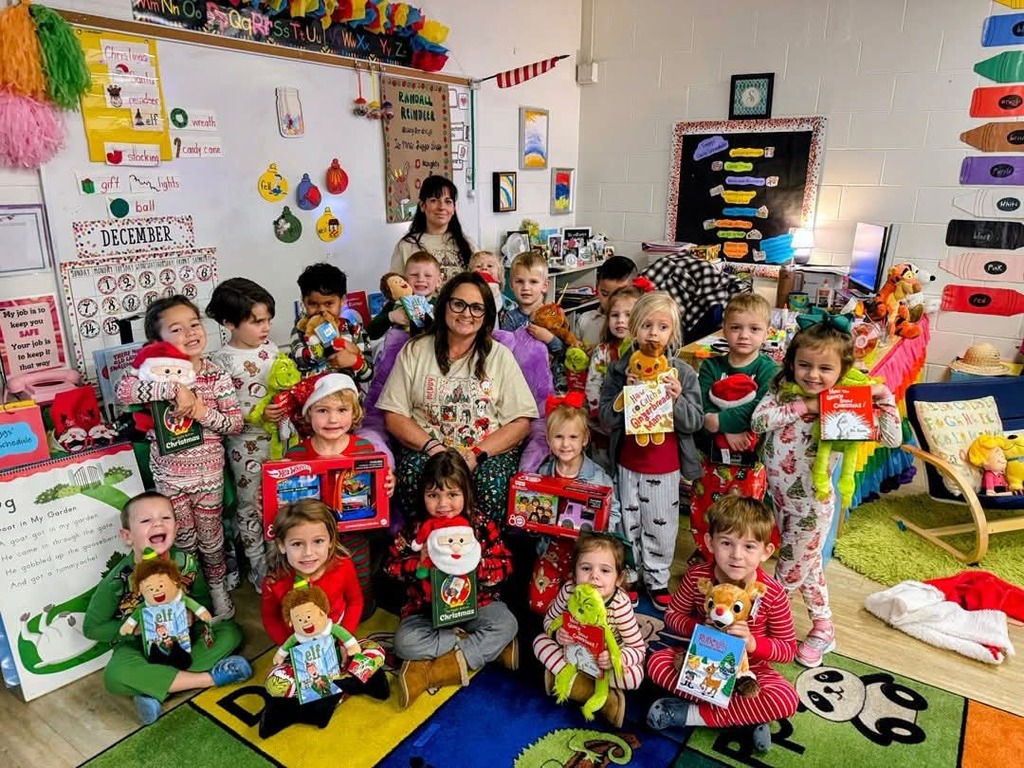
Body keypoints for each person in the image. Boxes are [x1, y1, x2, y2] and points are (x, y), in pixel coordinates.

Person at [751, 315, 902, 667]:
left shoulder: (845, 403)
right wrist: (805, 407)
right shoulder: (783, 390)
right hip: (780, 501)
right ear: (792, 363)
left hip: (812, 506)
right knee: (809, 566)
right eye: (804, 365)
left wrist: (884, 397)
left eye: (824, 368)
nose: (813, 375)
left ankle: (761, 623)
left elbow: (891, 438)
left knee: (787, 572)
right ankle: (823, 626)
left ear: (842, 369)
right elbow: (759, 422)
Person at [116, 296, 243, 618]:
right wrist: (174, 389)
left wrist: (200, 409)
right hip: (171, 480)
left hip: (209, 476)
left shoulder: (216, 376)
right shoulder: (150, 373)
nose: (190, 333)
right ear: (157, 342)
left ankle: (218, 590)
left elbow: (234, 424)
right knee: (183, 542)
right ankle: (191, 594)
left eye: (194, 324)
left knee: (212, 538)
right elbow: (123, 392)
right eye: (176, 329)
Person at [376, 272, 538, 523]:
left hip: (484, 451)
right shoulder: (416, 350)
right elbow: (394, 415)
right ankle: (424, 551)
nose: (466, 314)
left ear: (486, 316)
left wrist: (475, 454)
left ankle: (485, 555)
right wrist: (434, 448)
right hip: (427, 449)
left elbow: (520, 422)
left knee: (490, 483)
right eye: (459, 304)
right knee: (415, 476)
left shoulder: (500, 356)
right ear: (444, 306)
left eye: (477, 308)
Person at [83, 492, 252, 725]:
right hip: (138, 648)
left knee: (230, 633)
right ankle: (211, 678)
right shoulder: (117, 581)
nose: (157, 523)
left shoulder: (186, 563)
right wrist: (136, 629)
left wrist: (193, 614)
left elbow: (203, 601)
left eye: (166, 518)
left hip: (185, 640)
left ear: (177, 526)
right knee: (114, 676)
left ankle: (154, 689)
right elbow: (92, 628)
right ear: (127, 536)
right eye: (145, 521)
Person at [646, 496, 798, 752]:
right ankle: (748, 717)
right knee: (656, 664)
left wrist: (752, 643)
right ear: (710, 543)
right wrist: (697, 627)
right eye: (726, 543)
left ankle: (690, 714)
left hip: (750, 671)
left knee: (787, 699)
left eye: (749, 547)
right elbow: (672, 616)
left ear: (766, 552)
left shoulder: (772, 592)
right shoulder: (698, 577)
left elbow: (787, 649)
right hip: (699, 660)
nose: (737, 556)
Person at [386, 450, 517, 708]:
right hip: (426, 611)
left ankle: (432, 671)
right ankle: (478, 647)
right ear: (422, 496)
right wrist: (417, 563)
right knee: (403, 643)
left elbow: (506, 565)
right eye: (433, 495)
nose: (443, 504)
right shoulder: (416, 530)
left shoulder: (478, 525)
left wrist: (476, 565)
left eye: (453, 494)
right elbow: (390, 567)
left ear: (466, 493)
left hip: (477, 605)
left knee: (507, 624)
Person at [598, 291, 703, 610]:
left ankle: (657, 578)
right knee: (627, 523)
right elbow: (605, 418)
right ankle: (629, 574)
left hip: (665, 466)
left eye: (662, 327)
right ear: (633, 328)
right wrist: (627, 393)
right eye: (646, 325)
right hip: (628, 463)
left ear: (673, 333)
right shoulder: (619, 370)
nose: (653, 333)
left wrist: (677, 398)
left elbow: (695, 421)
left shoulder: (682, 373)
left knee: (661, 524)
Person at [259, 499, 389, 736]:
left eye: (318, 541)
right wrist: (290, 651)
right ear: (281, 545)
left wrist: (344, 641)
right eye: (297, 544)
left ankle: (337, 690)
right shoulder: (275, 581)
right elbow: (270, 619)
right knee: (275, 683)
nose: (308, 553)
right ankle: (329, 694)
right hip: (301, 653)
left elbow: (355, 601)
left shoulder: (342, 565)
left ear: (330, 541)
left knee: (375, 651)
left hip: (339, 642)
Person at [285, 373, 396, 616]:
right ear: (308, 414)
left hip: (354, 535)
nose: (333, 419)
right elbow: (281, 498)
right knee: (318, 581)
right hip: (312, 541)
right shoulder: (295, 455)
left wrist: (388, 482)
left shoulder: (364, 450)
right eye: (322, 411)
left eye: (342, 410)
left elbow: (378, 485)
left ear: (354, 414)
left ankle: (363, 610)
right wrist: (266, 501)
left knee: (360, 577)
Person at [206, 277, 281, 592]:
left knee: (280, 504)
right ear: (229, 323)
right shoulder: (221, 361)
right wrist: (257, 415)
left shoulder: (272, 349)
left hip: (280, 440)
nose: (265, 328)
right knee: (251, 507)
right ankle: (258, 566)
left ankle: (280, 562)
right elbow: (223, 412)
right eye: (256, 322)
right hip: (245, 447)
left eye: (267, 320)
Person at [691, 292, 778, 559]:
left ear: (767, 333)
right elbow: (702, 408)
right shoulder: (711, 366)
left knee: (745, 512)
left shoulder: (768, 369)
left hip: (749, 464)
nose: (744, 335)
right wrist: (725, 428)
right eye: (736, 328)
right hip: (711, 459)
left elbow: (759, 410)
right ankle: (705, 553)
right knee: (705, 508)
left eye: (754, 329)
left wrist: (720, 420)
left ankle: (740, 559)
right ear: (724, 330)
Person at [532, 532, 646, 727]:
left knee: (635, 677)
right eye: (586, 568)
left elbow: (638, 648)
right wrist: (556, 634)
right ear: (574, 574)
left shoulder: (619, 604)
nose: (594, 576)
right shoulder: (569, 591)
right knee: (539, 642)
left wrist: (614, 658)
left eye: (605, 570)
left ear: (619, 579)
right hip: (572, 654)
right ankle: (592, 692)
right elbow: (550, 619)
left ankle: (572, 684)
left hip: (604, 662)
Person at [536, 396, 620, 535]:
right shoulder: (544, 472)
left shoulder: (599, 478)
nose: (565, 444)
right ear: (548, 439)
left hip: (585, 544)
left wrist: (599, 534)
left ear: (585, 439)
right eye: (558, 437)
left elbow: (613, 512)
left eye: (573, 437)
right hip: (549, 545)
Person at [585, 284, 643, 472]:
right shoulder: (602, 351)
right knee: (604, 469)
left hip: (635, 428)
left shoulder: (645, 353)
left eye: (628, 315)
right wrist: (600, 415)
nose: (621, 321)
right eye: (615, 315)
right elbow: (592, 385)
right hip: (605, 426)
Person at [289, 262, 373, 384]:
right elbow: (300, 360)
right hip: (312, 400)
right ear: (303, 301)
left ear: (343, 300)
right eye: (313, 304)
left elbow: (368, 375)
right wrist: (335, 345)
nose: (322, 310)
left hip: (348, 400)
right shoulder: (300, 330)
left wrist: (355, 360)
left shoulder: (354, 330)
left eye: (329, 303)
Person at [390, 175, 476, 282]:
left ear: (454, 208)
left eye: (448, 201)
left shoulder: (468, 245)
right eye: (434, 200)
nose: (442, 207)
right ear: (422, 205)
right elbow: (396, 288)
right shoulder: (406, 246)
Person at [367, 251, 443, 341]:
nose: (421, 279)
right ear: (404, 279)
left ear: (439, 281)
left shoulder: (442, 304)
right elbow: (370, 333)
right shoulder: (396, 304)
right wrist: (390, 317)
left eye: (428, 275)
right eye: (414, 275)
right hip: (399, 352)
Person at [574, 256, 638, 349]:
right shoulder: (585, 320)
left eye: (618, 294)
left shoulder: (639, 323)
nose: (611, 301)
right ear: (597, 287)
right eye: (605, 294)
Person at [469, 249, 517, 318]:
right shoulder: (468, 299)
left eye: (489, 266)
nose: (484, 268)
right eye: (478, 266)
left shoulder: (508, 305)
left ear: (499, 278)